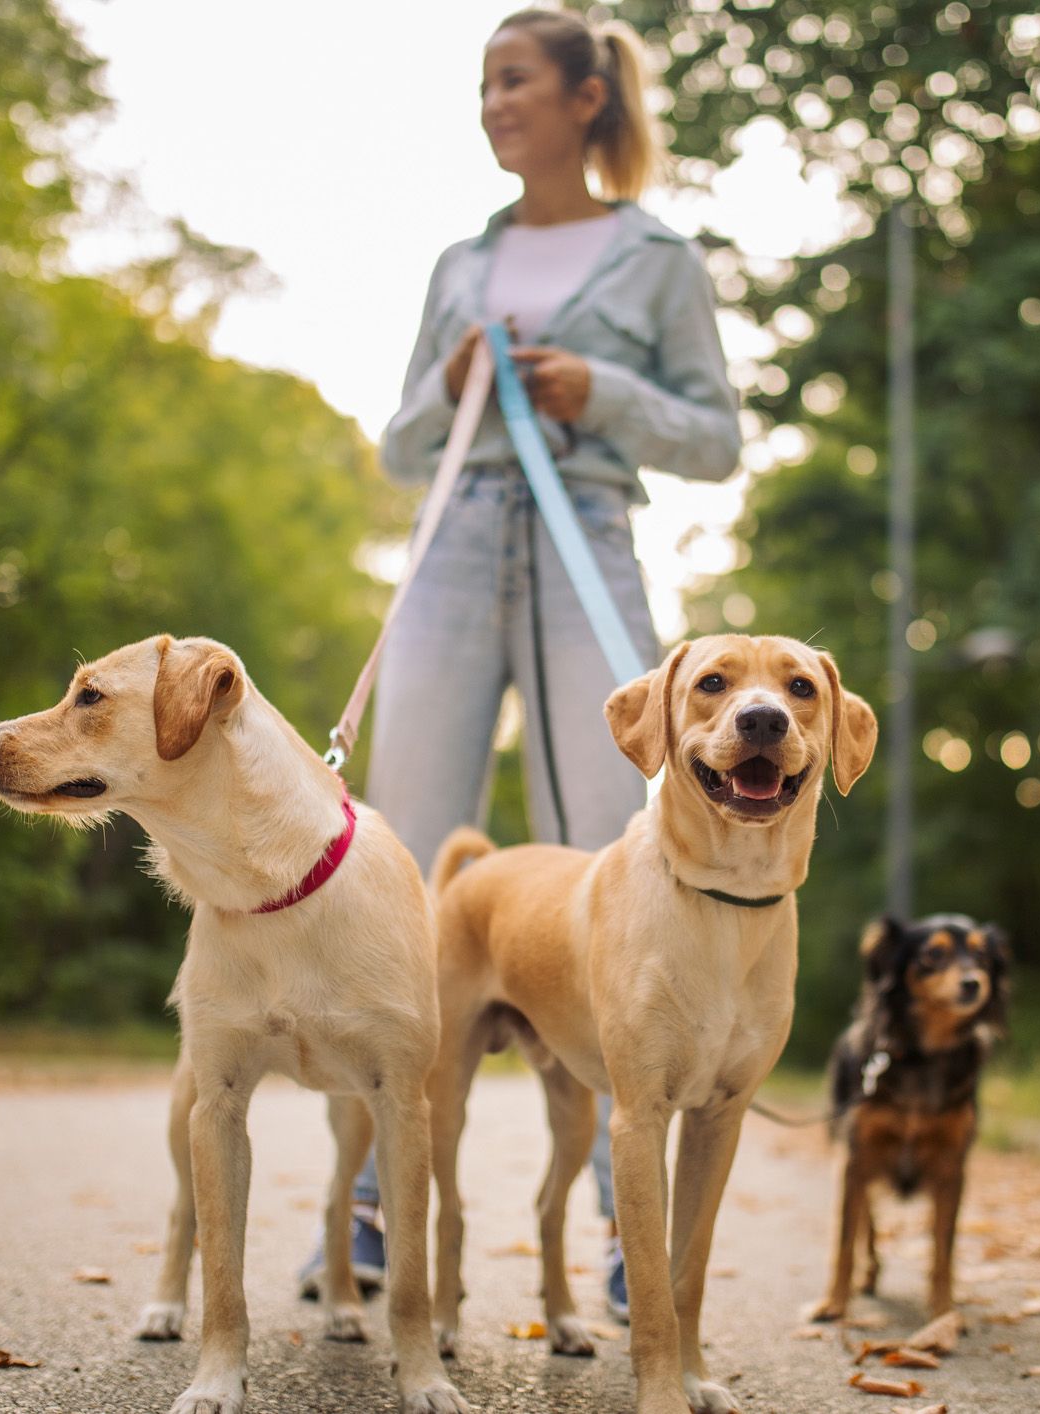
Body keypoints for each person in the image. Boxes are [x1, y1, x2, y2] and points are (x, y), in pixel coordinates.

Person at [298, 6, 740, 1323]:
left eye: (513, 81)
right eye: (482, 84)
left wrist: (590, 389)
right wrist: (447, 389)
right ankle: (369, 1203)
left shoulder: (657, 260)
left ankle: (626, 1218)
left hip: (584, 536)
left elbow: (714, 439)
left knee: (614, 862)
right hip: (451, 546)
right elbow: (396, 446)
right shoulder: (456, 259)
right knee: (401, 865)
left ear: (585, 98)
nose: (491, 104)